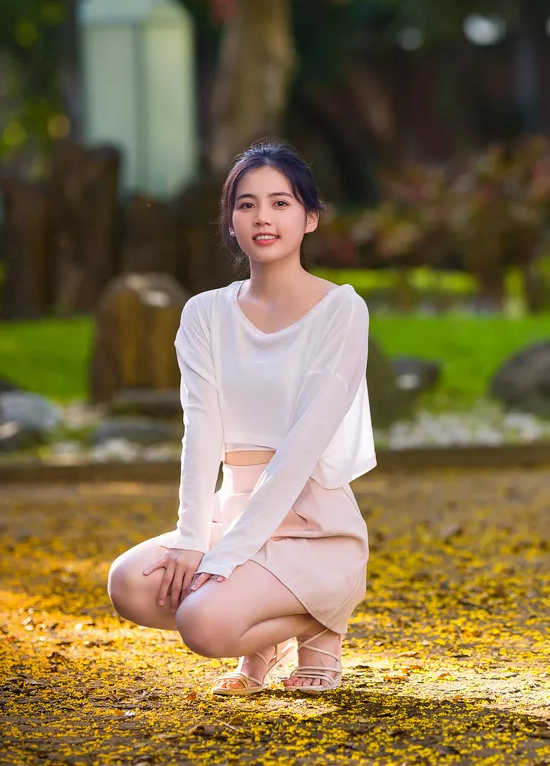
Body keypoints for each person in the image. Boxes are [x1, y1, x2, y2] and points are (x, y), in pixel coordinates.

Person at [106, 139, 375, 695]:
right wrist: (191, 538)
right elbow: (200, 431)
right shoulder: (204, 313)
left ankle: (323, 624)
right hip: (234, 511)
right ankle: (265, 632)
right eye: (246, 204)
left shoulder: (341, 309)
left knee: (201, 622)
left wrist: (227, 557)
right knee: (130, 584)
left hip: (312, 527)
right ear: (230, 221)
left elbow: (304, 445)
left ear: (310, 218)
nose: (263, 217)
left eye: (281, 203)